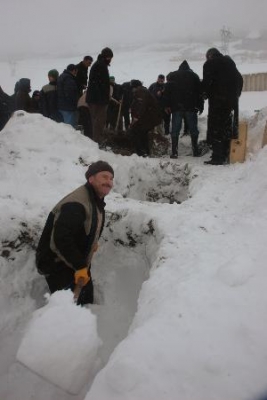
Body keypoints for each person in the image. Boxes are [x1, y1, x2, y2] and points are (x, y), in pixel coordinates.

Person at [35, 160, 114, 306]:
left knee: (87, 300)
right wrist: (80, 266)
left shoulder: (95, 200)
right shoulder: (76, 203)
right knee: (70, 308)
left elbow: (85, 226)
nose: (108, 181)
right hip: (57, 263)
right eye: (104, 176)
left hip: (75, 259)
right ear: (91, 178)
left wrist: (91, 242)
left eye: (111, 178)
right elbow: (60, 239)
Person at [202, 47, 243, 165]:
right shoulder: (230, 63)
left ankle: (217, 157)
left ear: (209, 56)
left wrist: (204, 94)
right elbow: (240, 79)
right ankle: (225, 153)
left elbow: (207, 83)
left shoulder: (210, 64)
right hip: (232, 103)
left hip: (218, 101)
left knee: (216, 128)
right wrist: (235, 95)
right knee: (226, 128)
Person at [163, 60, 204, 158]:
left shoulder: (172, 75)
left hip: (176, 107)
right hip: (191, 107)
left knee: (175, 130)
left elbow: (167, 92)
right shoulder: (194, 76)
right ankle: (195, 151)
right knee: (193, 130)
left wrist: (167, 105)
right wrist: (200, 106)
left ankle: (174, 152)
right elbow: (200, 93)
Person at [86, 47, 113, 143]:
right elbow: (100, 84)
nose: (111, 59)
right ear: (107, 57)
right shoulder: (101, 65)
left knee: (96, 120)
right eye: (110, 57)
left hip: (94, 98)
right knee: (99, 121)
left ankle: (95, 140)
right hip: (98, 100)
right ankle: (97, 141)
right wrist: (104, 98)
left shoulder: (99, 64)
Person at [130, 80, 162, 157]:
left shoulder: (140, 91)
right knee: (142, 133)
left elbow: (141, 105)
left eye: (132, 88)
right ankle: (145, 151)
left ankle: (140, 152)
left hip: (148, 117)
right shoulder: (142, 90)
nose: (132, 90)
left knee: (136, 131)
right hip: (149, 117)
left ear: (135, 87)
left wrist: (136, 117)